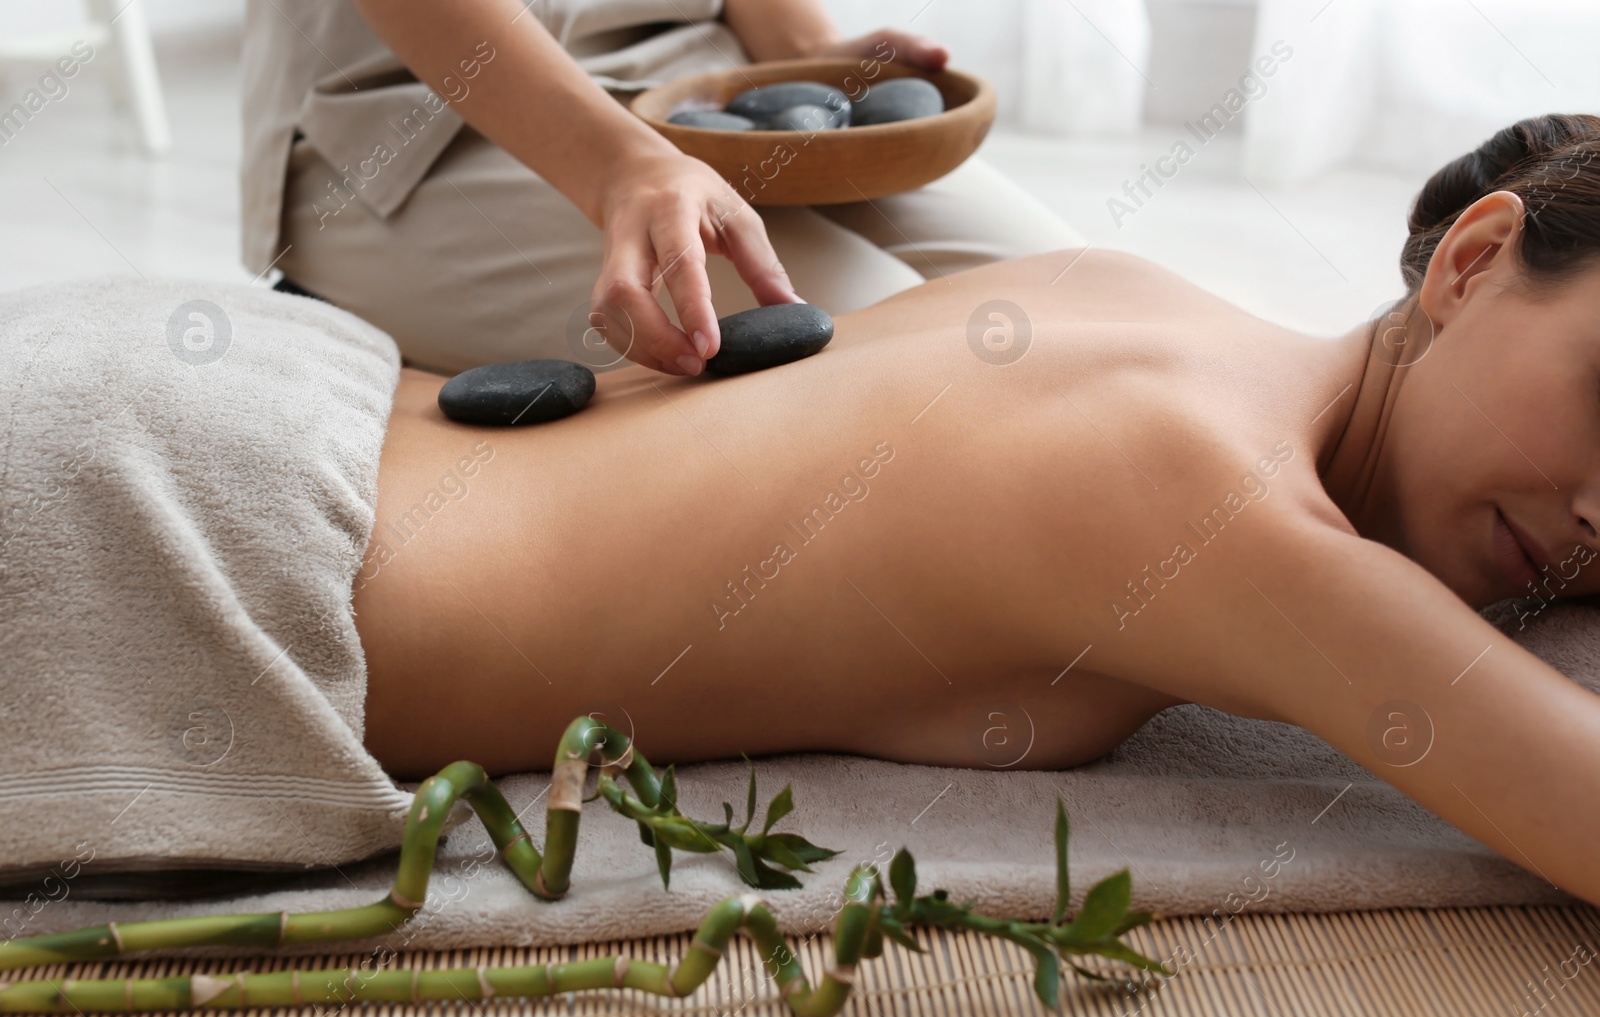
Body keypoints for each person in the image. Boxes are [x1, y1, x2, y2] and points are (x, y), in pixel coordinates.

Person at [349, 114, 1600, 909]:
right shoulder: (1224, 509)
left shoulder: (1138, 294)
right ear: (1473, 259)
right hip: (241, 562)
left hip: (331, 399)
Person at [240, 0, 1082, 376]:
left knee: (1080, 302)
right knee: (894, 354)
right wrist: (617, 169)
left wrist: (804, 58)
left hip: (687, 77)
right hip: (414, 120)